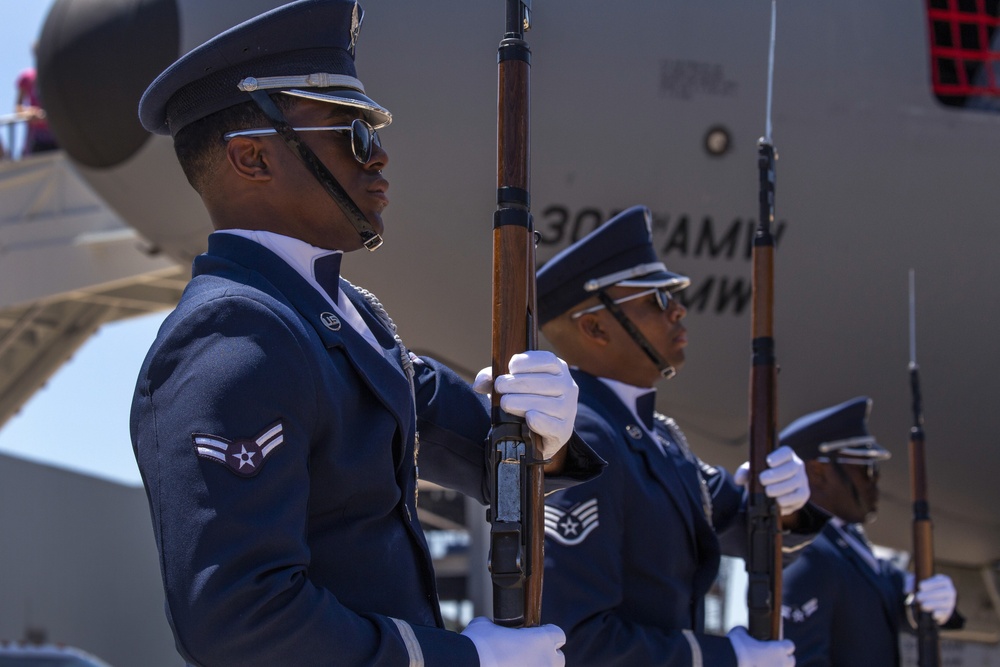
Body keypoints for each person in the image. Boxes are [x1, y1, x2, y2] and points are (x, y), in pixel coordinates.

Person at [129, 2, 604, 665]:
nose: (380, 157)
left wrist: (541, 435)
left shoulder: (346, 316)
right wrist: (459, 660)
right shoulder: (231, 336)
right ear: (252, 158)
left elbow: (475, 439)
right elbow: (239, 617)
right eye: (352, 134)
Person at [535, 205, 828, 667]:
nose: (678, 310)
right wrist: (726, 660)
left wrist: (787, 509)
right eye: (656, 299)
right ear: (594, 327)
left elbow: (747, 523)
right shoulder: (584, 438)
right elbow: (578, 641)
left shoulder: (658, 437)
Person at [780, 396, 963, 666]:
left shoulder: (846, 542)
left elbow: (888, 587)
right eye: (866, 468)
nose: (876, 480)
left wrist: (924, 599)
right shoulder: (807, 553)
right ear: (818, 472)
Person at [15, 46, 58, 155]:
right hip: (36, 137)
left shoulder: (59, 77)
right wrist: (29, 113)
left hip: (59, 133)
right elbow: (18, 107)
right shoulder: (27, 78)